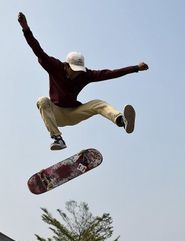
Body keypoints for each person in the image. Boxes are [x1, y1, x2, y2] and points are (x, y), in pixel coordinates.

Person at [18, 12, 149, 150]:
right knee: (42, 100)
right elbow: (37, 50)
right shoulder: (54, 66)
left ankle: (121, 120)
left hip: (74, 113)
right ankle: (58, 139)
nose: (76, 73)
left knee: (98, 103)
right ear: (66, 66)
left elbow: (109, 74)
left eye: (79, 70)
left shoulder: (85, 74)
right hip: (56, 114)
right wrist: (26, 29)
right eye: (74, 70)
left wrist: (135, 68)